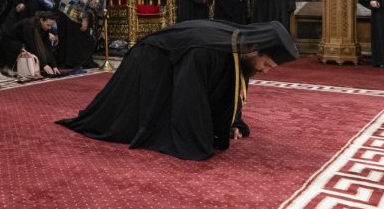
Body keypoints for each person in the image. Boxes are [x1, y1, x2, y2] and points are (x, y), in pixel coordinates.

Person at [58, 20, 299, 160]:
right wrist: (198, 140)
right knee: (123, 124)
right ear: (254, 51)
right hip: (149, 62)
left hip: (168, 60)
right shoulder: (209, 50)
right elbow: (189, 96)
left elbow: (226, 87)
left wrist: (231, 122)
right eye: (266, 64)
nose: (265, 71)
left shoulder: (237, 50)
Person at [56, 0, 123, 68]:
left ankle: (79, 62)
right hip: (69, 9)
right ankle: (73, 62)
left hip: (78, 12)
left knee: (83, 37)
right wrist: (84, 19)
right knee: (76, 36)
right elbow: (82, 2)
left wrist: (101, 30)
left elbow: (100, 13)